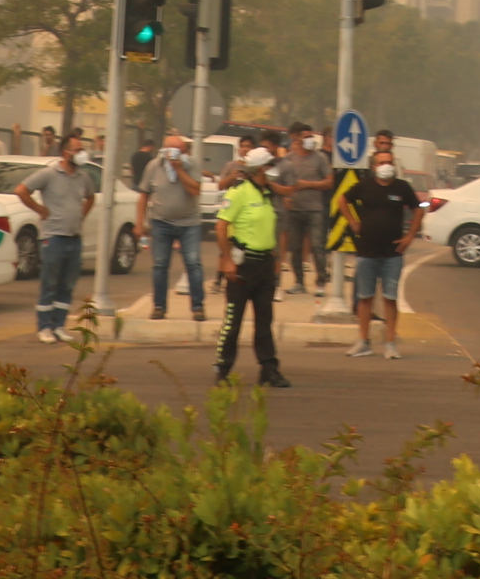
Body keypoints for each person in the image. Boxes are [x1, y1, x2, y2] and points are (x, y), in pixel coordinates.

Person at [212, 147, 288, 386]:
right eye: (269, 165)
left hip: (265, 264)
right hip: (242, 266)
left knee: (265, 321)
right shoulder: (239, 193)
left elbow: (271, 228)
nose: (272, 169)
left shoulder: (268, 195)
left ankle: (268, 369)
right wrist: (226, 260)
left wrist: (276, 258)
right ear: (260, 169)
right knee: (233, 321)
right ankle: (223, 369)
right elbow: (221, 226)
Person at [339, 141, 423, 358]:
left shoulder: (402, 187)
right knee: (365, 297)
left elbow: (419, 208)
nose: (386, 165)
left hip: (392, 254)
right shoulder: (364, 186)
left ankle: (390, 344)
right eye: (381, 162)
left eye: (389, 162)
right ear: (374, 166)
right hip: (367, 251)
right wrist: (352, 222)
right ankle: (363, 341)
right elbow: (342, 200)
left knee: (389, 298)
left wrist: (410, 235)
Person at [17, 133, 90, 344]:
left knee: (67, 286)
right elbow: (21, 190)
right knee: (49, 283)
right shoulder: (48, 174)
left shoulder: (82, 177)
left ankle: (59, 325)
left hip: (74, 238)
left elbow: (90, 197)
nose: (81, 153)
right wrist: (39, 209)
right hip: (53, 238)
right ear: (65, 153)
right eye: (77, 150)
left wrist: (80, 215)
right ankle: (44, 327)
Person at [136, 131, 207, 322]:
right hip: (161, 222)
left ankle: (198, 307)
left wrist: (180, 169)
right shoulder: (154, 166)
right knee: (160, 265)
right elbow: (144, 195)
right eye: (172, 151)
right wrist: (139, 223)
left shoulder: (192, 164)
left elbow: (195, 190)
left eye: (181, 151)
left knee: (193, 264)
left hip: (189, 222)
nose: (176, 155)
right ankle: (159, 306)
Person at [273, 125, 335, 300]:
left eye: (311, 136)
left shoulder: (320, 158)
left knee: (317, 246)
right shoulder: (289, 159)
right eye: (306, 136)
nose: (310, 140)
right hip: (293, 210)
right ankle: (299, 281)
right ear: (297, 139)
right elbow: (280, 182)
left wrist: (308, 185)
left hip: (315, 209)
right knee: (296, 249)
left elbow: (329, 182)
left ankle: (321, 281)